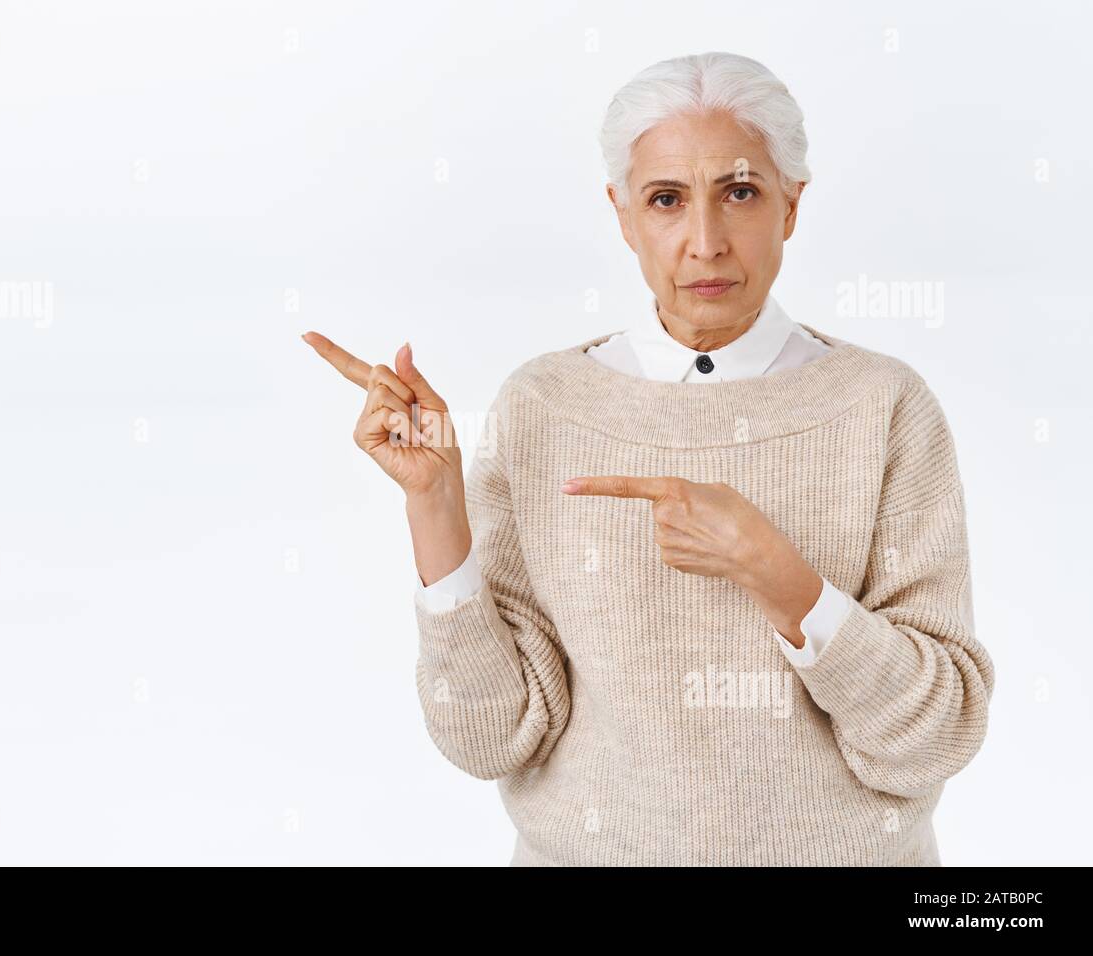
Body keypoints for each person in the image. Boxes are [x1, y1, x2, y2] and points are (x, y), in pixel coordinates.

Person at [302, 51, 993, 866]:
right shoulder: (544, 405)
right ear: (624, 216)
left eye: (740, 192)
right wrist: (434, 507)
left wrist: (782, 577)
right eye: (667, 200)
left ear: (791, 207)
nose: (705, 243)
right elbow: (491, 739)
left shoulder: (884, 405)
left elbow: (934, 737)